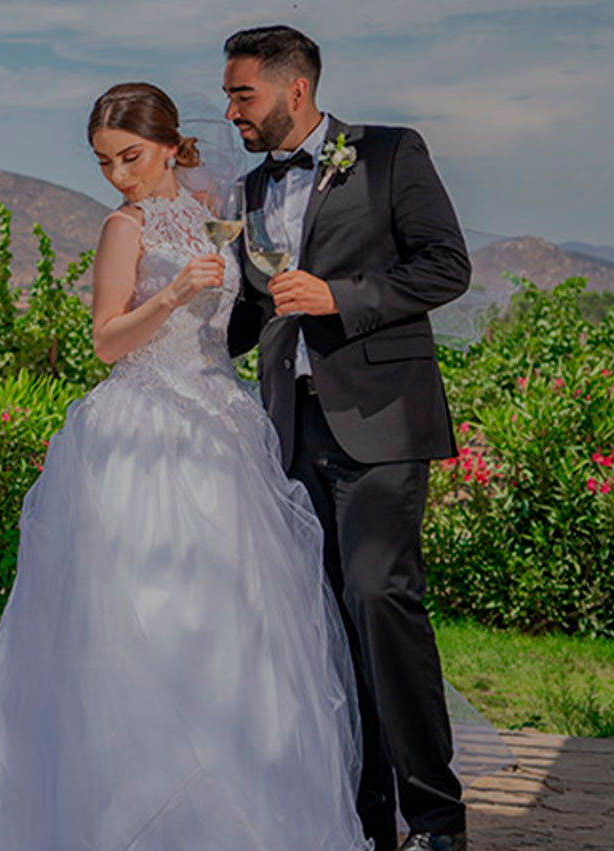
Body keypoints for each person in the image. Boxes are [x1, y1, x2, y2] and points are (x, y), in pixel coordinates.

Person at [0, 81, 371, 851]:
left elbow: (246, 302)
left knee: (236, 621)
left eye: (131, 156)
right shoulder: (123, 227)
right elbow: (106, 342)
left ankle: (242, 800)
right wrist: (173, 294)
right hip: (140, 431)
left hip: (220, 428)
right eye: (104, 162)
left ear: (168, 145)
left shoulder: (218, 209)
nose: (120, 175)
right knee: (143, 617)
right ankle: (132, 805)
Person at [223, 24, 472, 851]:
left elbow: (446, 266)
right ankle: (364, 821)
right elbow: (254, 311)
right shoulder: (249, 190)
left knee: (378, 599)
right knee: (324, 623)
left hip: (382, 419)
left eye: (243, 94)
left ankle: (434, 819)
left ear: (295, 89)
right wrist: (180, 312)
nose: (232, 112)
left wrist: (340, 296)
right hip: (290, 432)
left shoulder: (391, 153)